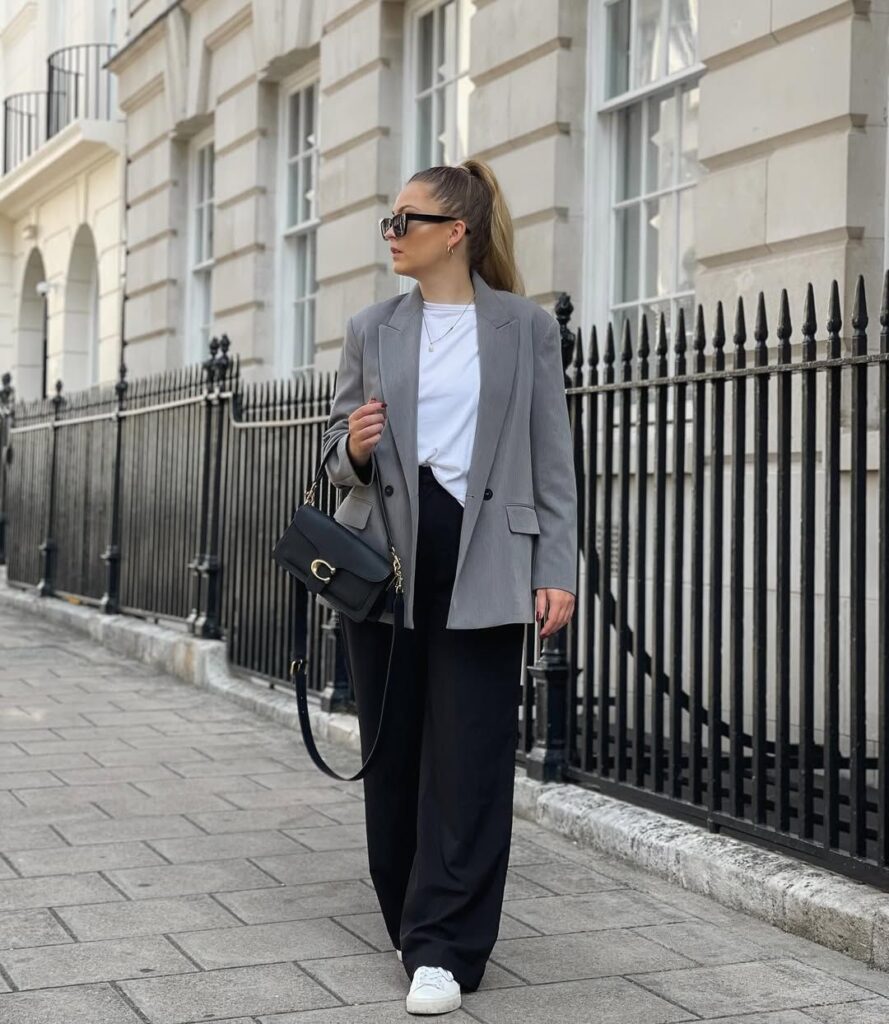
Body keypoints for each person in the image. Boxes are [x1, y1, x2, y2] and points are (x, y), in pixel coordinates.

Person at [320, 159, 577, 1015]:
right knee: (392, 750)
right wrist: (354, 446)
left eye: (406, 220)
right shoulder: (371, 328)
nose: (391, 234)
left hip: (486, 557)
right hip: (386, 562)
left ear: (455, 232)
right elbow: (334, 465)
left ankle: (446, 944)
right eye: (388, 221)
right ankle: (407, 915)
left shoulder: (523, 329)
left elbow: (552, 460)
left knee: (468, 757)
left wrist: (555, 569)